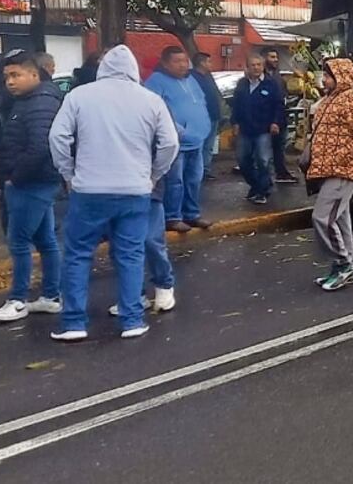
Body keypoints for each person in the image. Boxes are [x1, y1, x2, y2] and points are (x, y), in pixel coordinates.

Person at [49, 45, 179, 341]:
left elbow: (58, 137)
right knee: (130, 254)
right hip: (135, 189)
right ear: (133, 70)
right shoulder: (151, 100)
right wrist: (153, 175)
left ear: (102, 68)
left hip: (89, 189)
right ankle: (132, 319)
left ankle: (73, 323)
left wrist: (68, 173)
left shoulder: (79, 96)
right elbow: (170, 144)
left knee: (78, 254)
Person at [0, 52, 65, 323]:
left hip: (32, 182)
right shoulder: (29, 100)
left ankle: (18, 299)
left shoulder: (39, 104)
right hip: (37, 180)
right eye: (7, 77)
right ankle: (50, 296)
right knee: (45, 240)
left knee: (19, 241)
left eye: (16, 75)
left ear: (34, 74)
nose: (10, 82)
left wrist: (15, 177)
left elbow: (41, 146)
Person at [304, 58, 353, 291]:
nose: (323, 79)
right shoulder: (329, 99)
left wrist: (343, 157)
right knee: (340, 219)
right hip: (327, 170)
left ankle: (344, 264)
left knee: (323, 218)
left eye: (327, 75)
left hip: (342, 171)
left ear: (341, 77)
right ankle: (344, 265)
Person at [145, 46, 213, 233]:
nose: (183, 65)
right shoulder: (155, 82)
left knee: (194, 180)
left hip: (197, 141)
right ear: (166, 63)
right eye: (177, 61)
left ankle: (192, 214)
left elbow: (201, 102)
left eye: (185, 61)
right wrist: (178, 131)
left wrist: (204, 124)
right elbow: (154, 111)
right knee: (175, 181)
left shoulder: (191, 80)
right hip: (175, 144)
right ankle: (172, 217)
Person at [107, 174, 177, 318]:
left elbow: (167, 152)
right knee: (119, 246)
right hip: (113, 190)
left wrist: (155, 174)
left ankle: (164, 284)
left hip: (146, 186)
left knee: (151, 240)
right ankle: (134, 296)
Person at [231, 53, 285, 205]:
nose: (256, 68)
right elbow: (236, 104)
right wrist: (235, 122)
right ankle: (256, 185)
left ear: (262, 66)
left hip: (263, 129)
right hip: (245, 129)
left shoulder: (271, 83)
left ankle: (262, 191)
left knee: (263, 160)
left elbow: (279, 105)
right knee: (243, 161)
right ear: (247, 67)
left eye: (258, 65)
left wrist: (275, 123)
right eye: (252, 65)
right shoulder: (242, 84)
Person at [264, 48, 298, 184]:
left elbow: (282, 96)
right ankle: (264, 178)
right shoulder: (263, 76)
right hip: (267, 118)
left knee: (279, 147)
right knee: (265, 149)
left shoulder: (277, 75)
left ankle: (281, 172)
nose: (275, 59)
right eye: (272, 57)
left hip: (281, 116)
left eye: (276, 57)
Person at [192, 52, 223, 181]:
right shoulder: (192, 78)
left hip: (214, 115)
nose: (211, 64)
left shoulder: (208, 76)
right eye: (209, 62)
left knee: (209, 145)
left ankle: (205, 169)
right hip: (201, 117)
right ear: (202, 63)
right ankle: (197, 170)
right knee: (201, 144)